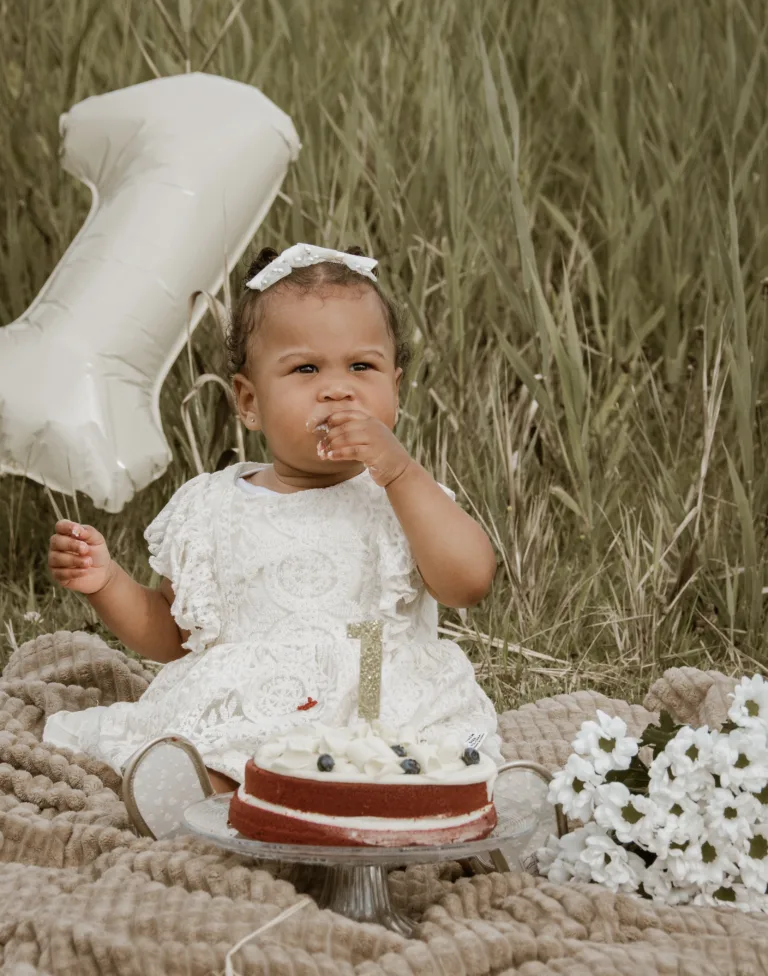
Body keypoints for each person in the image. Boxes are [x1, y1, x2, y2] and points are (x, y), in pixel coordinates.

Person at [43, 243, 502, 795]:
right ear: (248, 401)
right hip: (258, 712)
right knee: (216, 759)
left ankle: (473, 808)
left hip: (383, 711)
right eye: (306, 369)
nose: (338, 388)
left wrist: (401, 473)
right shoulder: (213, 506)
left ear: (395, 388)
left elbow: (469, 581)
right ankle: (208, 799)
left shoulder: (404, 498)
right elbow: (171, 633)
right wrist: (107, 583)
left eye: (362, 366)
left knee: (440, 768)